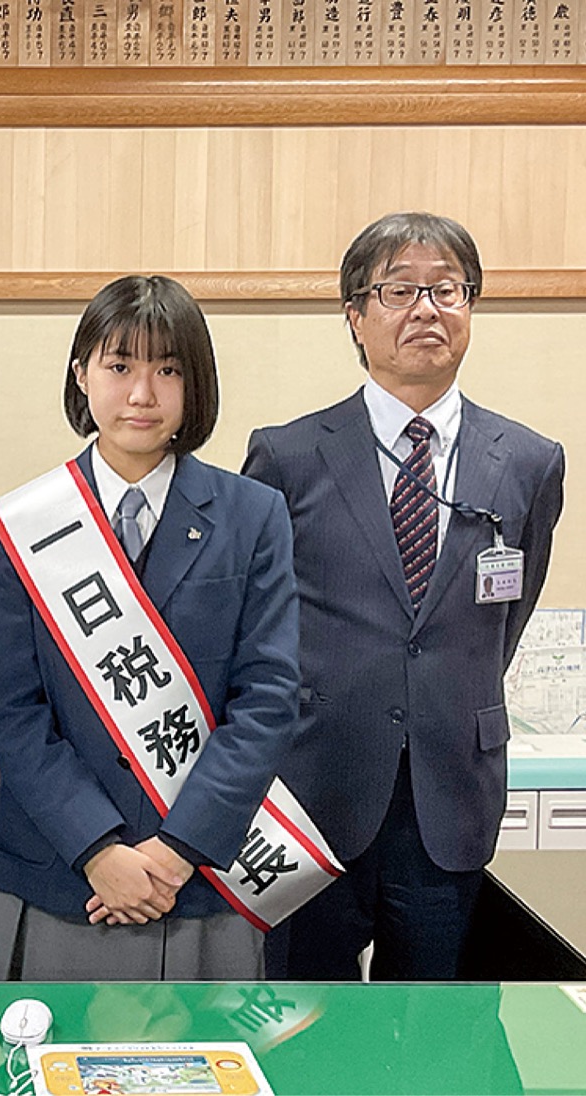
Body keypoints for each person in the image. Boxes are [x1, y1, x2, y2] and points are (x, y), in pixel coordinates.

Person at [243, 212, 565, 980]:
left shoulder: (528, 460)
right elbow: (256, 628)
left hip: (451, 790)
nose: (427, 308)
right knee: (305, 1024)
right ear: (355, 316)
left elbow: (506, 617)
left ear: (471, 307)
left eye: (447, 288)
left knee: (437, 1026)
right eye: (399, 289)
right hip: (314, 786)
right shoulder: (288, 455)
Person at [0, 275, 300, 981]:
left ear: (195, 386)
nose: (142, 394)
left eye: (167, 369)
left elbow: (268, 700)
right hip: (64, 874)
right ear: (82, 375)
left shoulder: (253, 515)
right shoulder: (23, 525)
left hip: (199, 878)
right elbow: (13, 711)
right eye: (119, 367)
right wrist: (99, 849)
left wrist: (174, 850)